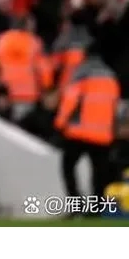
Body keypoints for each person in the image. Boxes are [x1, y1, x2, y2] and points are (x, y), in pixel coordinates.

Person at [54, 41, 120, 215]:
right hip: (103, 136)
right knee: (99, 173)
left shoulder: (82, 74)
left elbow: (70, 101)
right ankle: (96, 209)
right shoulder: (112, 79)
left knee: (68, 167)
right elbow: (116, 109)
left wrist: (59, 124)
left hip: (79, 133)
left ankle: (76, 204)